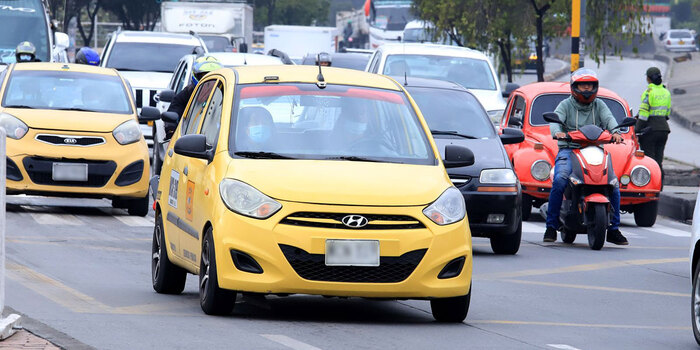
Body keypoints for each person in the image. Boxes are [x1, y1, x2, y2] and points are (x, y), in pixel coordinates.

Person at [544, 68, 628, 245]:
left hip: (595, 149)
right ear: (574, 87)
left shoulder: (599, 105)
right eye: (582, 86)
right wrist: (558, 133)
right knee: (560, 180)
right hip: (569, 149)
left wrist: (616, 132)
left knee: (613, 184)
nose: (587, 90)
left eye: (589, 85)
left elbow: (609, 119)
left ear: (595, 86)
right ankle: (551, 227)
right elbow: (555, 121)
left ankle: (613, 229)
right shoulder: (565, 105)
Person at [165, 56, 223, 138]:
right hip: (189, 138)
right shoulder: (186, 94)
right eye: (204, 76)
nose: (210, 81)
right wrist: (171, 131)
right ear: (195, 75)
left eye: (214, 77)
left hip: (218, 139)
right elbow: (174, 113)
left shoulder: (226, 94)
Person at [636, 66, 671, 178]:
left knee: (650, 161)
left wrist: (636, 129)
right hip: (664, 130)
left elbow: (644, 114)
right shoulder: (666, 92)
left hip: (650, 131)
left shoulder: (648, 93)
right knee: (658, 160)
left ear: (648, 79)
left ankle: (652, 184)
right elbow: (667, 113)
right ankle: (660, 183)